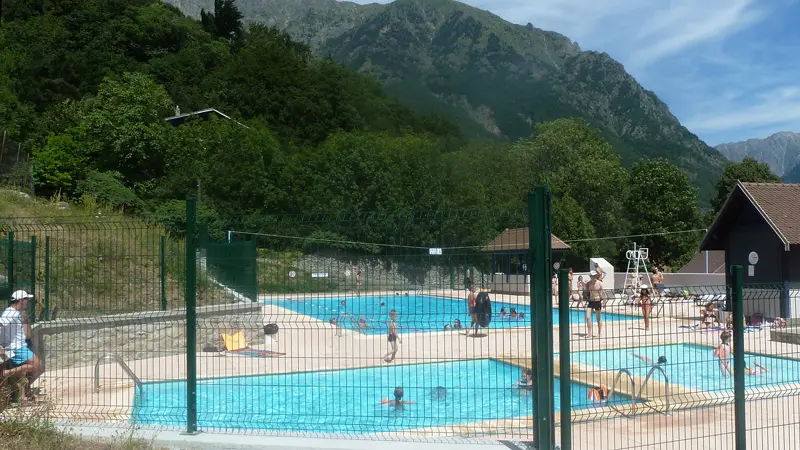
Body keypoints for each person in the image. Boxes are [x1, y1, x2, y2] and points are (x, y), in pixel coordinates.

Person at [0, 290, 43, 401]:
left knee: (21, 374)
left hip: (17, 346)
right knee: (37, 365)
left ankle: (24, 399)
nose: (27, 302)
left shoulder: (15, 312)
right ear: (20, 300)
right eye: (26, 299)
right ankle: (6, 373)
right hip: (17, 347)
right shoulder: (11, 313)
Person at [585, 269, 605, 338]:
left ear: (596, 276)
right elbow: (587, 292)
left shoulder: (600, 283)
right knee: (587, 317)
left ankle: (599, 333)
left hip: (597, 300)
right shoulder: (589, 283)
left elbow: (602, 293)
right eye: (591, 276)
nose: (592, 277)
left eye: (593, 275)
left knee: (598, 318)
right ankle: (589, 333)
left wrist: (604, 302)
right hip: (591, 301)